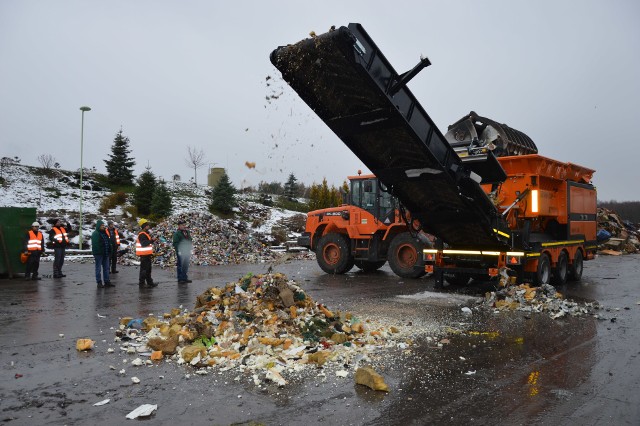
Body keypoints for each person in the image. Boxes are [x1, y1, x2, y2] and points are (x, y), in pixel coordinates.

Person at [91, 220, 113, 287]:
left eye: (103, 225)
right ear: (98, 226)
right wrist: (101, 251)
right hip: (99, 254)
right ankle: (99, 282)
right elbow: (96, 244)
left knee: (106, 268)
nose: (103, 227)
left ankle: (107, 281)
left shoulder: (104, 233)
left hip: (105, 253)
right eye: (102, 225)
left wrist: (110, 249)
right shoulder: (96, 234)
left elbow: (108, 242)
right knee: (98, 268)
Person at [136, 218, 156, 287]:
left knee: (148, 270)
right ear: (144, 226)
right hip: (144, 255)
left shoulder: (145, 234)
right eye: (147, 225)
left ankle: (150, 282)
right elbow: (144, 244)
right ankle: (142, 284)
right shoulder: (142, 234)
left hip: (147, 254)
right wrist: (151, 240)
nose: (148, 226)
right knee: (144, 270)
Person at [172, 220, 193, 284]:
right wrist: (178, 251)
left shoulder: (187, 232)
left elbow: (190, 240)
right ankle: (180, 279)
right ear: (179, 226)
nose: (184, 226)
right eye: (182, 225)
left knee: (185, 265)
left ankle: (184, 278)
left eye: (184, 225)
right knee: (180, 265)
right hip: (181, 251)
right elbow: (175, 243)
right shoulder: (177, 234)